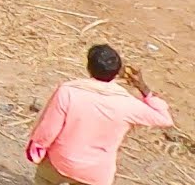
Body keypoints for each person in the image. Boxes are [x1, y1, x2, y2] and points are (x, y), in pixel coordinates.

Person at [26, 44, 172, 185]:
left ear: (89, 68)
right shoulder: (127, 104)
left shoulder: (68, 92)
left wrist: (37, 149)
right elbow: (164, 118)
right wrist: (142, 87)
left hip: (62, 161)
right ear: (117, 72)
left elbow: (48, 130)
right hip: (96, 173)